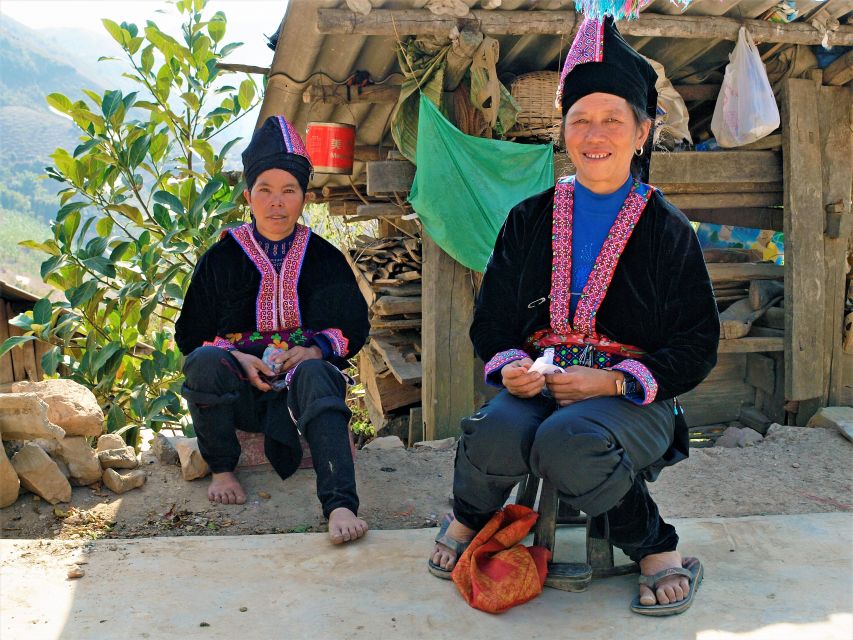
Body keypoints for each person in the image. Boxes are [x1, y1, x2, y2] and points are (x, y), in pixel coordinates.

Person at [428, 17, 720, 616]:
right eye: (581, 118)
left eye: (613, 118)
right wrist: (512, 367)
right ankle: (467, 517)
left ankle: (655, 548)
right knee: (496, 431)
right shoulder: (530, 218)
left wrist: (612, 381)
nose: (595, 133)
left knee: (568, 442)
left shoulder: (666, 230)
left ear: (641, 133)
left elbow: (696, 343)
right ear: (563, 130)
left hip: (630, 401)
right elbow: (493, 321)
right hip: (542, 383)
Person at [175, 115, 370, 545]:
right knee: (205, 362)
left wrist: (316, 350)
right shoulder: (221, 258)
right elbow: (189, 335)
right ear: (249, 196)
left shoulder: (324, 258)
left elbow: (355, 326)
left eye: (288, 191)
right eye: (265, 190)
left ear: (303, 198)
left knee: (320, 373)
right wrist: (239, 359)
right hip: (239, 390)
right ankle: (223, 468)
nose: (276, 202)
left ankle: (339, 504)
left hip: (301, 392)